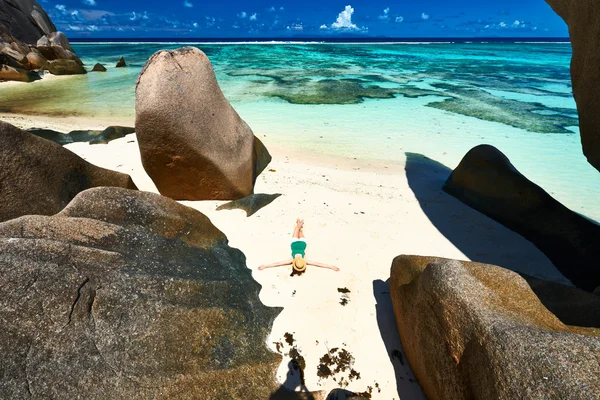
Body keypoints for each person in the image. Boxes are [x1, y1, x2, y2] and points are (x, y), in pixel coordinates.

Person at [258, 219, 339, 276]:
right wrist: (330, 266)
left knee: (297, 229)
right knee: (299, 230)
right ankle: (299, 223)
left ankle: (299, 223)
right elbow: (318, 264)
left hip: (299, 243)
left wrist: (265, 266)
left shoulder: (294, 260)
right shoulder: (301, 260)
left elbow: (278, 264)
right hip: (299, 243)